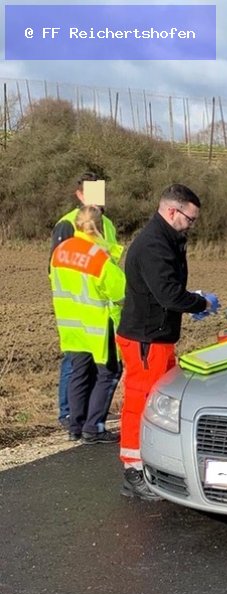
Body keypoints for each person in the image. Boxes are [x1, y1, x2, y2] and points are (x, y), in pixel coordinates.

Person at [116, 184, 218, 501]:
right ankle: (133, 470)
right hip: (146, 337)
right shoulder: (153, 245)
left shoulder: (166, 239)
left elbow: (169, 289)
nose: (191, 225)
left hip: (156, 335)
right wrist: (199, 304)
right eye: (189, 218)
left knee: (154, 400)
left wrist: (193, 300)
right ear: (172, 211)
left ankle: (147, 460)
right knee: (140, 400)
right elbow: (168, 294)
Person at [51, 172, 123, 431]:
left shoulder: (108, 223)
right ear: (79, 195)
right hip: (86, 308)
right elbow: (58, 269)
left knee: (86, 368)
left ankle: (79, 420)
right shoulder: (67, 224)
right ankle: (71, 415)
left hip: (97, 302)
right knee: (81, 366)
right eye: (90, 194)